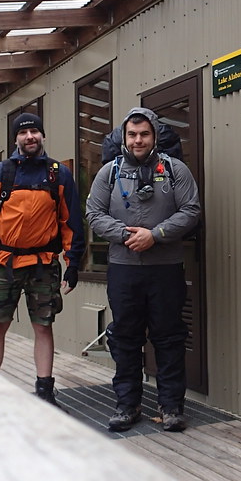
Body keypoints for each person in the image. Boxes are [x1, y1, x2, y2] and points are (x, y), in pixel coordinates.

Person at [85, 107, 201, 432]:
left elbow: (191, 210)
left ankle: (172, 407)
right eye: (132, 135)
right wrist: (124, 235)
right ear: (124, 137)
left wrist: (156, 235)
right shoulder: (109, 173)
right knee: (125, 337)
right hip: (123, 270)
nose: (138, 140)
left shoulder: (175, 170)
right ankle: (126, 405)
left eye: (144, 134)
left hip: (166, 268)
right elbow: (93, 213)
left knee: (169, 336)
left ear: (155, 136)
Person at [0, 112, 85, 407]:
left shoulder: (58, 174)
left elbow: (72, 223)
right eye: (23, 132)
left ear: (42, 135)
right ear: (16, 139)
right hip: (3, 263)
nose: (29, 136)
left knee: (43, 325)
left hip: (43, 265)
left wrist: (73, 264)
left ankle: (45, 391)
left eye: (34, 131)